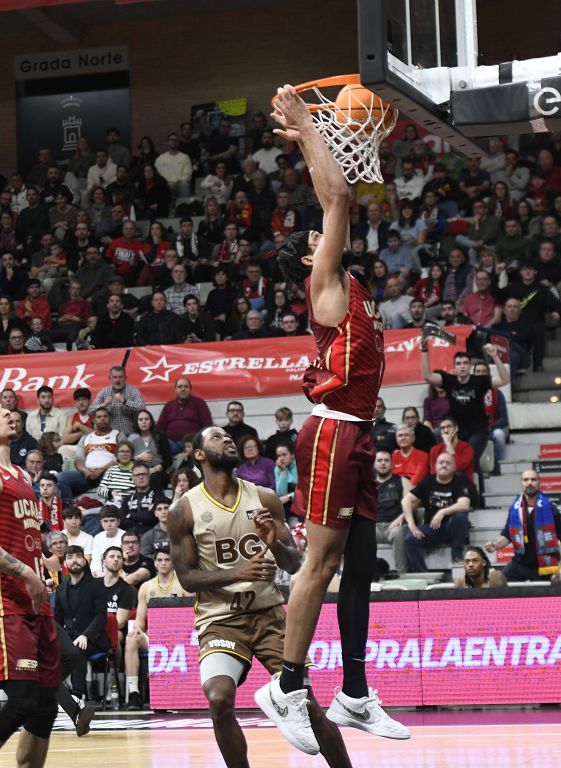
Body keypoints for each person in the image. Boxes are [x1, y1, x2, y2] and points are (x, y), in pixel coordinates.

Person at [252, 84, 409, 751]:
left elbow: (338, 196)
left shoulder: (352, 285)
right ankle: (286, 685)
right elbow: (337, 197)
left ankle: (351, 692)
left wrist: (316, 144)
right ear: (310, 260)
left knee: (363, 564)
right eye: (317, 239)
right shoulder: (327, 286)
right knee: (317, 565)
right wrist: (307, 128)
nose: (325, 233)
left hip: (359, 435)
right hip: (332, 432)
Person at [167, 426, 353, 765]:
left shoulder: (264, 497)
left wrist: (273, 543)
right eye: (217, 437)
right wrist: (237, 573)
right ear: (198, 454)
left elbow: (294, 561)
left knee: (306, 704)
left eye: (228, 436)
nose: (227, 440)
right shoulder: (183, 509)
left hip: (269, 616)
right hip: (220, 620)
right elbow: (187, 578)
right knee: (219, 699)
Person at [0, 406, 61, 767]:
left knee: (45, 708)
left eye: (13, 412)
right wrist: (25, 572)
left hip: (39, 601)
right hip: (7, 601)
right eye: (2, 411)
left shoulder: (22, 474)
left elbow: (28, 533)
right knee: (22, 700)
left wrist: (45, 563)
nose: (11, 415)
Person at [422, 344, 510, 475]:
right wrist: (424, 351)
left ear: (470, 366)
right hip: (458, 431)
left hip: (478, 430)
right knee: (463, 462)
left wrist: (495, 356)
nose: (462, 366)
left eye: (465, 363)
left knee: (470, 459)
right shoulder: (448, 380)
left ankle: (476, 494)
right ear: (455, 367)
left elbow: (505, 380)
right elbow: (427, 377)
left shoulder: (480, 381)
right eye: (459, 363)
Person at [124, 547, 188, 709]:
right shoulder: (146, 587)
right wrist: (137, 628)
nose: (163, 563)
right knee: (131, 639)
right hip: (154, 637)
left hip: (179, 638)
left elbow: (191, 615)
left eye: (167, 560)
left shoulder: (183, 584)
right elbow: (139, 619)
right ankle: (134, 693)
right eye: (160, 560)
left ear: (173, 562)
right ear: (154, 563)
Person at [54, 545, 109, 702]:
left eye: (78, 556)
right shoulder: (61, 589)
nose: (74, 560)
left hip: (94, 638)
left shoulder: (97, 584)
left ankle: (78, 695)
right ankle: (51, 696)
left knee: (77, 647)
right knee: (48, 649)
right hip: (70, 636)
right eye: (70, 557)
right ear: (65, 564)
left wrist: (86, 635)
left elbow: (101, 616)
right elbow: (57, 619)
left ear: (84, 561)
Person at [484, 470, 561, 582]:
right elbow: (507, 536)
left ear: (539, 483)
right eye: (526, 480)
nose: (529, 483)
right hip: (519, 564)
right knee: (497, 581)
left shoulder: (550, 508)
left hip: (545, 564)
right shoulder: (514, 509)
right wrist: (494, 545)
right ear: (521, 483)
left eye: (533, 479)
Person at [403, 452, 471, 570]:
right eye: (441, 462)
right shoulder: (428, 481)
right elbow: (406, 501)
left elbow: (465, 505)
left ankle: (457, 556)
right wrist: (412, 524)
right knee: (410, 539)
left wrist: (442, 512)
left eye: (448, 463)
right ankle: (422, 575)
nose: (444, 465)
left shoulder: (460, 481)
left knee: (460, 517)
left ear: (454, 467)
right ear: (435, 466)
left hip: (453, 528)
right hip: (433, 528)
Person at [374, 451, 409, 574]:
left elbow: (414, 503)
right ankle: (367, 573)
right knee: (363, 533)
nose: (383, 463)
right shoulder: (368, 483)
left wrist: (402, 517)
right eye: (379, 460)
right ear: (374, 464)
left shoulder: (402, 481)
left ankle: (402, 573)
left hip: (395, 525)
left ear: (392, 464)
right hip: (375, 526)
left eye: (386, 460)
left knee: (397, 533)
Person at [89, 366, 145, 437]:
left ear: (125, 378)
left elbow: (143, 409)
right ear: (110, 378)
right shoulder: (104, 392)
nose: (118, 380)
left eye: (120, 377)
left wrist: (125, 401)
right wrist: (104, 404)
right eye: (115, 377)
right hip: (109, 435)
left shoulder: (133, 391)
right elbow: (90, 412)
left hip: (130, 435)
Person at [429, 417, 475, 482]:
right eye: (442, 428)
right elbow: (434, 473)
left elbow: (459, 468)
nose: (446, 430)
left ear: (456, 428)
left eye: (449, 427)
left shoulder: (467, 447)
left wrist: (449, 444)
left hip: (462, 485)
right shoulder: (434, 450)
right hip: (441, 485)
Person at [91, 505, 126, 577]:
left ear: (118, 522)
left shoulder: (125, 536)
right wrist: (99, 573)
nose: (109, 524)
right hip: (101, 575)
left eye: (112, 520)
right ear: (101, 522)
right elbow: (95, 560)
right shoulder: (98, 537)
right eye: (105, 521)